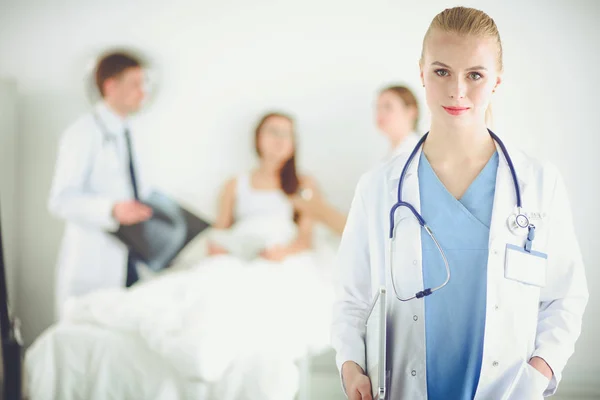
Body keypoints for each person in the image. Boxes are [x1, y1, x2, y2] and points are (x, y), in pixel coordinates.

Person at [331, 6, 588, 400]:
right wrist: (351, 366)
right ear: (421, 73)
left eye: (475, 75)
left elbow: (565, 297)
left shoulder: (538, 182)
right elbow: (350, 298)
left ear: (497, 82)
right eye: (441, 71)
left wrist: (538, 374)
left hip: (509, 390)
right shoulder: (378, 188)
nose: (457, 91)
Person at [48, 51, 153, 318]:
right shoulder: (83, 132)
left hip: (129, 258)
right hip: (93, 261)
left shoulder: (130, 132)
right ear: (111, 86)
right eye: (135, 84)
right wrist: (111, 209)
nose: (143, 92)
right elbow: (60, 200)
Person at [290, 85, 421, 235]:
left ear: (411, 112)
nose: (380, 113)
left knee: (317, 208)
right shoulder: (388, 157)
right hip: (379, 230)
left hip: (393, 235)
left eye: (388, 107)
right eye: (377, 107)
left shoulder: (414, 156)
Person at [207, 112, 317, 261]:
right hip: (240, 253)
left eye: (287, 134)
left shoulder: (303, 184)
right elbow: (220, 229)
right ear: (258, 138)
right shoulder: (235, 183)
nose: (280, 139)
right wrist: (218, 247)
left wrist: (284, 253)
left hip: (280, 254)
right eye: (274, 132)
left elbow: (305, 238)